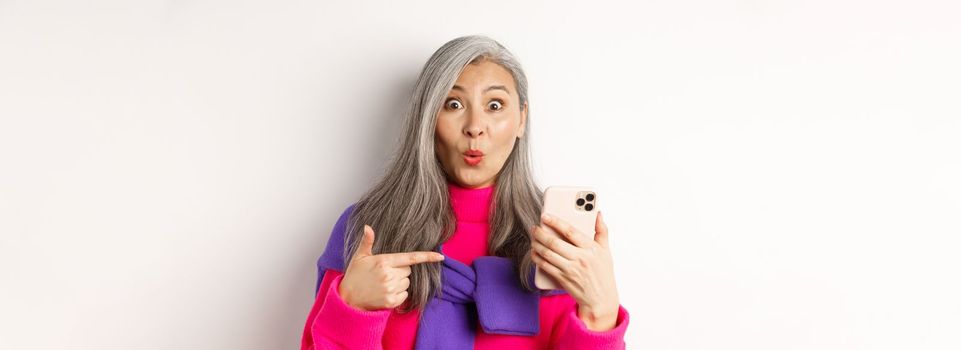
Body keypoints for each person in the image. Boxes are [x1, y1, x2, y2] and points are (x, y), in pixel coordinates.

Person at [300, 35, 629, 350]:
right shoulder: (368, 230)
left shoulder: (558, 242)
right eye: (453, 103)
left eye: (495, 105)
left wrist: (601, 314)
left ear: (521, 120)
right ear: (428, 119)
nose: (475, 126)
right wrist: (352, 310)